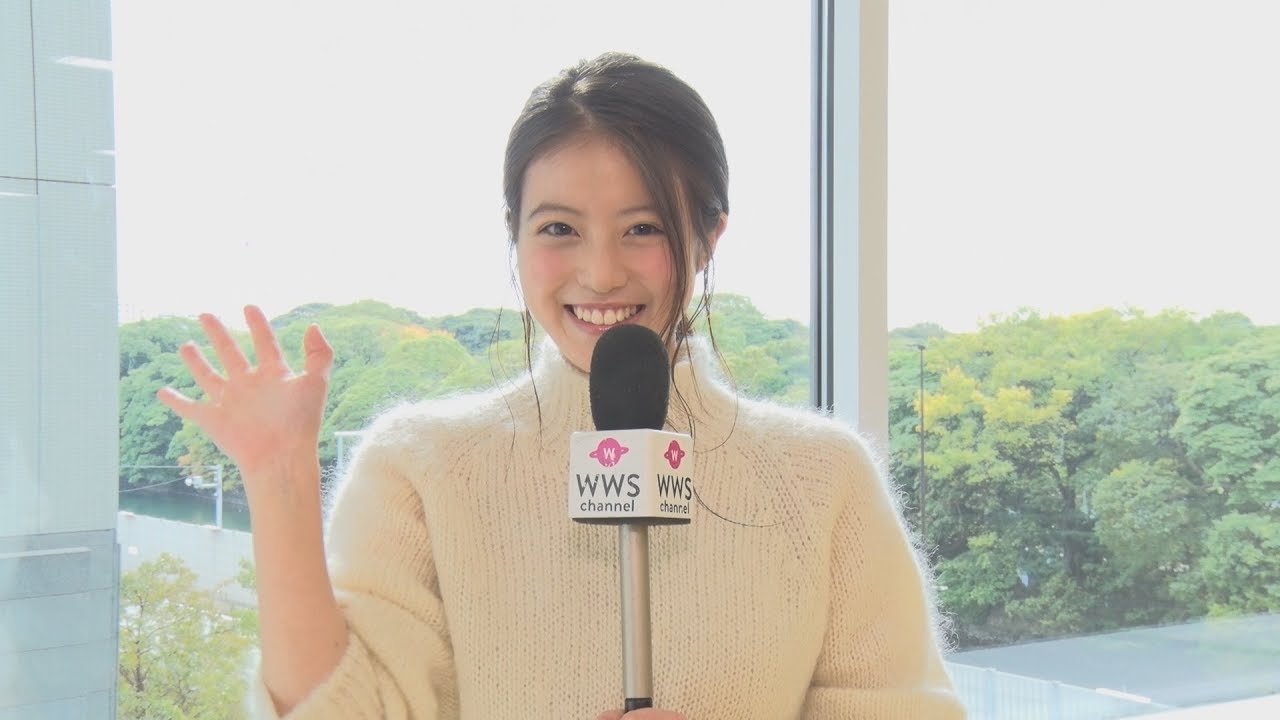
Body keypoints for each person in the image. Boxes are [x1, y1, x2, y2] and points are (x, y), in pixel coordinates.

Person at [159, 52, 966, 720]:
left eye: (643, 228)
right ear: (513, 235)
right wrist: (278, 476)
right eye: (558, 229)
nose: (601, 271)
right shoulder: (421, 467)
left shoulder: (821, 478)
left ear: (708, 236)